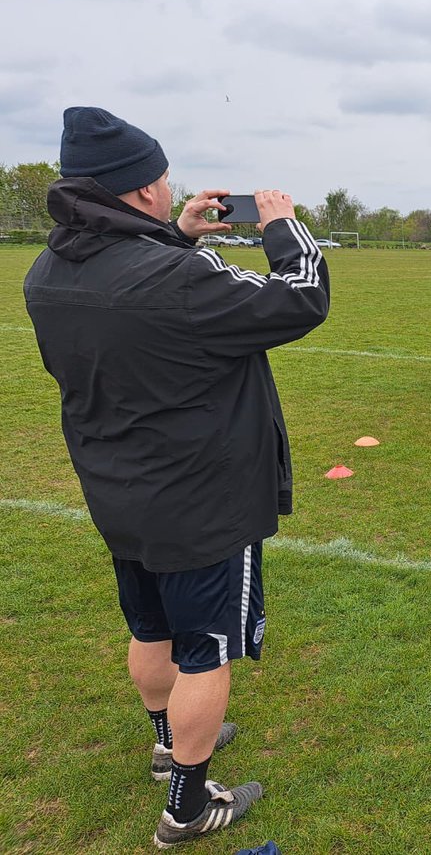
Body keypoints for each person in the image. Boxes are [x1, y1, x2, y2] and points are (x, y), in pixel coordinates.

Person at [23, 107, 330, 846]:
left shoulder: (47, 271)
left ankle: (166, 743)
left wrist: (178, 233)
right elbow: (301, 295)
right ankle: (187, 807)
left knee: (150, 626)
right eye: (163, 181)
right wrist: (282, 225)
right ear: (140, 191)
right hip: (202, 497)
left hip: (117, 487)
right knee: (205, 654)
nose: (170, 190)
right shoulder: (176, 277)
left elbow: (134, 289)